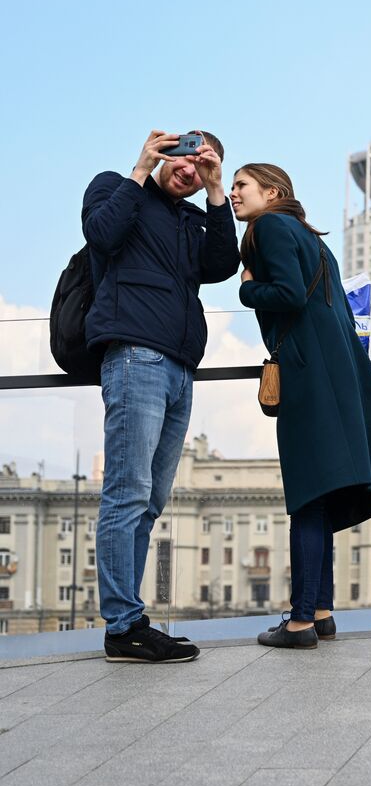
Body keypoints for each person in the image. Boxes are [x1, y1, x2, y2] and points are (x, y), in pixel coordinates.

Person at [234, 164, 371, 649]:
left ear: (272, 192)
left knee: (308, 497)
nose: (232, 194)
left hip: (307, 374)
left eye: (241, 185)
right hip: (339, 372)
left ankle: (299, 624)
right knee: (323, 494)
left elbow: (288, 294)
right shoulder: (310, 236)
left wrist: (247, 287)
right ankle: (321, 612)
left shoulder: (270, 226)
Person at [84, 130, 238, 663]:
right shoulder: (115, 188)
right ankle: (122, 625)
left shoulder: (193, 218)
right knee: (126, 495)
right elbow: (101, 235)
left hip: (179, 368)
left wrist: (216, 193)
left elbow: (220, 265)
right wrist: (139, 171)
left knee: (149, 503)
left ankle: (131, 621)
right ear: (164, 153)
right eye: (185, 157)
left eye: (202, 166)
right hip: (135, 355)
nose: (190, 170)